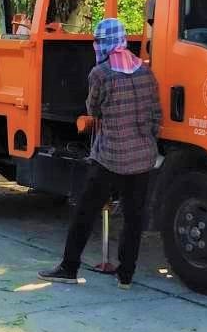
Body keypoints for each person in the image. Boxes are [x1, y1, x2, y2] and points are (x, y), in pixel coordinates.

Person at [39, 17, 162, 289]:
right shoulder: (145, 71)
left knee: (85, 212)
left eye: (98, 40)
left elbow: (93, 110)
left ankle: (69, 267)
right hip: (143, 158)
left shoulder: (101, 73)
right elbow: (156, 115)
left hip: (110, 158)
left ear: (105, 43)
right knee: (133, 218)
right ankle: (125, 276)